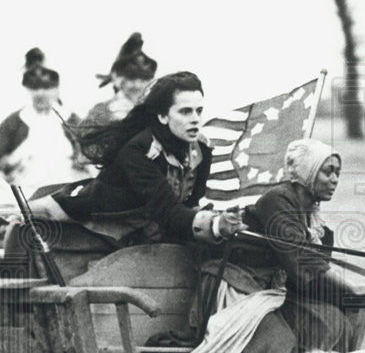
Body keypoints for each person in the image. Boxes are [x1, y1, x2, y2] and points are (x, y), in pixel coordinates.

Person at [150, 138, 365, 353]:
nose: (334, 179)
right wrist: (359, 293)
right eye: (327, 171)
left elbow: (311, 280)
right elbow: (302, 262)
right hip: (237, 289)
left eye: (337, 173)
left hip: (271, 295)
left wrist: (353, 299)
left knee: (331, 325)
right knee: (276, 339)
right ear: (306, 171)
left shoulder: (316, 224)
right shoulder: (277, 200)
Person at [30, 70, 240, 245]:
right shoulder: (139, 150)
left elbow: (190, 202)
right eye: (185, 111)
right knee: (24, 213)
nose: (195, 119)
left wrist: (218, 220)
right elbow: (166, 209)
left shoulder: (201, 148)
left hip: (145, 224)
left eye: (199, 111)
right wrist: (214, 225)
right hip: (96, 215)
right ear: (163, 116)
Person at [0, 48, 83, 193]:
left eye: (47, 87)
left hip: (66, 188)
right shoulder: (16, 120)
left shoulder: (70, 118)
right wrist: (5, 167)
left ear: (57, 89)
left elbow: (86, 154)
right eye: (35, 87)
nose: (41, 93)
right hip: (26, 189)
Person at [84, 32, 158, 128]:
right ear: (118, 79)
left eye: (144, 79)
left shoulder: (157, 113)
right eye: (131, 79)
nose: (138, 85)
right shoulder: (99, 114)